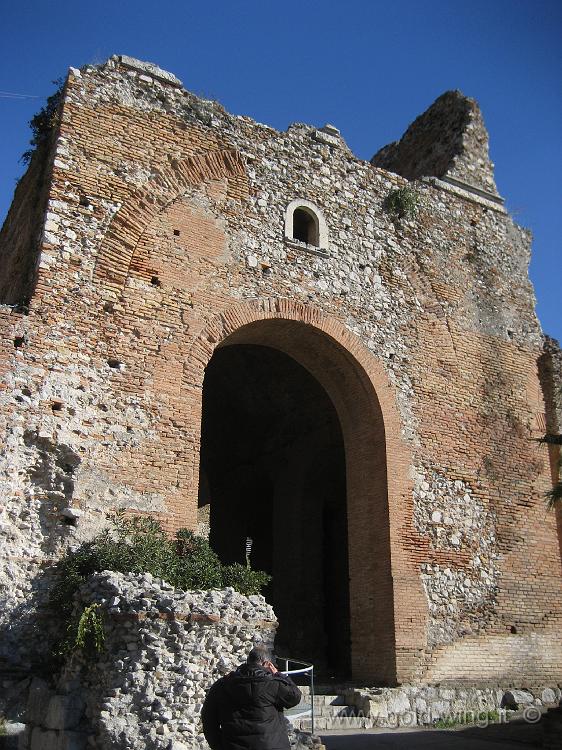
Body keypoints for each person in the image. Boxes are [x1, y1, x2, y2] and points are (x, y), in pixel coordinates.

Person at [201, 645, 302, 750]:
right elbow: (295, 697)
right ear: (267, 663)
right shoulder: (273, 685)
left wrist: (219, 746)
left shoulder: (222, 685)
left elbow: (208, 718)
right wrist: (278, 674)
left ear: (248, 661)